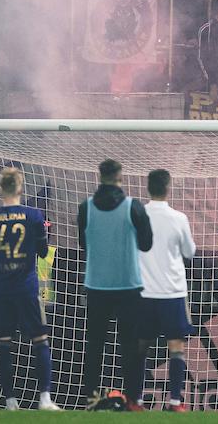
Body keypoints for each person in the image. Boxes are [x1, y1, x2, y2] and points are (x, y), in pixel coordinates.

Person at [0, 166, 59, 411]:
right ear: (21, 188)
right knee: (40, 339)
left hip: (2, 289)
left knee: (4, 342)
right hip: (27, 288)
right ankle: (44, 398)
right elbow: (44, 251)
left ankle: (10, 400)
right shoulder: (34, 216)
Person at [78, 159, 153, 410]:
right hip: (127, 285)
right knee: (129, 345)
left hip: (97, 284)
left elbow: (83, 244)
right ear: (120, 177)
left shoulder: (85, 208)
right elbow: (146, 244)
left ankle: (91, 397)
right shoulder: (134, 207)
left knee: (95, 344)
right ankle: (132, 399)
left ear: (100, 176)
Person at [138, 168, 197, 412]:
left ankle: (137, 400)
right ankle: (175, 401)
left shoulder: (137, 215)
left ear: (148, 188)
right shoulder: (178, 218)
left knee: (140, 347)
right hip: (172, 293)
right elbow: (190, 253)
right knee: (176, 347)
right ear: (168, 188)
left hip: (144, 292)